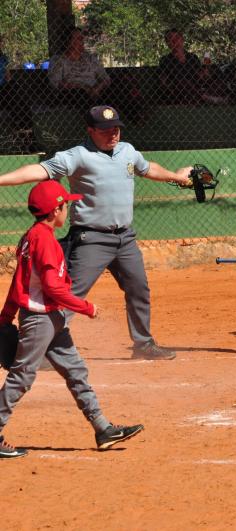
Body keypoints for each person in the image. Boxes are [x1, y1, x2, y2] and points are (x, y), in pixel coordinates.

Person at [0, 105, 192, 360]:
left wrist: (177, 177)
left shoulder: (128, 151)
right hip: (91, 239)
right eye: (104, 130)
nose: (112, 134)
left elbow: (148, 169)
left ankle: (143, 343)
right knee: (69, 294)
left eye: (116, 128)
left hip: (125, 238)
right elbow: (38, 171)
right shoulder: (78, 155)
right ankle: (44, 349)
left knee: (138, 289)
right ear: (90, 131)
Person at [0, 180, 144, 459]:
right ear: (55, 211)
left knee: (75, 370)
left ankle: (102, 428)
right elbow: (53, 287)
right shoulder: (44, 241)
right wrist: (84, 307)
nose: (68, 208)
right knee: (22, 376)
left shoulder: (32, 236)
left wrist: (5, 315)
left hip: (51, 318)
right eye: (65, 204)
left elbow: (19, 280)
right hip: (40, 320)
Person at [158, 28, 225, 105]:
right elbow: (163, 81)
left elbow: (199, 76)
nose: (174, 41)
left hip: (197, 88)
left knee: (217, 77)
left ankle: (204, 97)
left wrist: (205, 73)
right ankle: (206, 98)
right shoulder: (165, 60)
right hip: (179, 92)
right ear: (167, 43)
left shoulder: (192, 57)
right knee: (183, 82)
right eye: (170, 39)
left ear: (182, 40)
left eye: (177, 38)